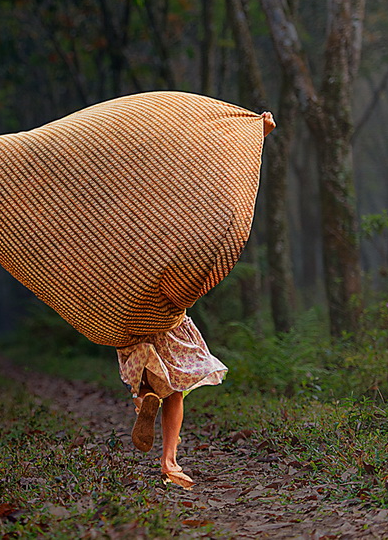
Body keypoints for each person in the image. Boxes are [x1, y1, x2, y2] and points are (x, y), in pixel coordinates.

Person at [117, 111, 276, 490]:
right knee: (178, 387)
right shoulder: (177, 213)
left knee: (146, 369)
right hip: (167, 307)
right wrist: (258, 132)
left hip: (130, 308)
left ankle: (145, 397)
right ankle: (169, 461)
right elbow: (217, 174)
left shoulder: (128, 215)